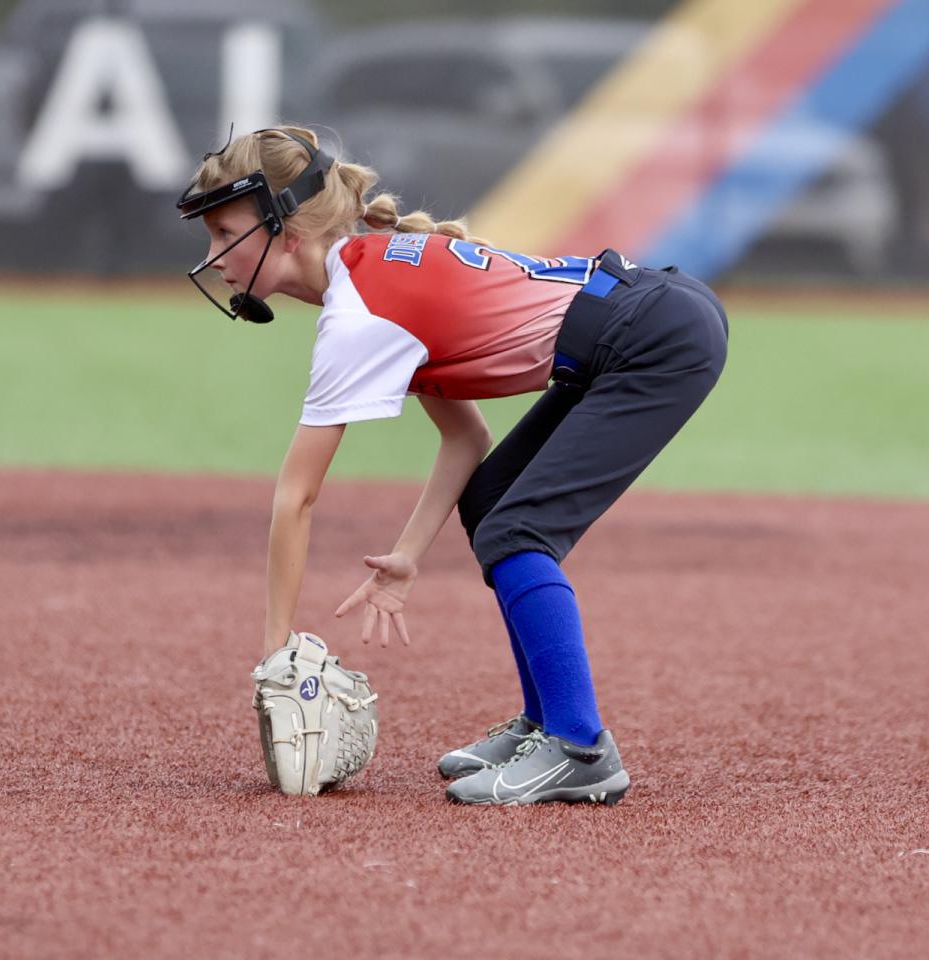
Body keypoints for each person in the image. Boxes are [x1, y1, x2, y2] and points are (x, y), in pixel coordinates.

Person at [176, 125, 728, 806]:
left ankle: (580, 749)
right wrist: (408, 556)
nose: (215, 256)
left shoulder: (356, 319)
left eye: (224, 231)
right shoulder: (368, 271)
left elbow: (297, 497)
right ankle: (546, 726)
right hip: (644, 318)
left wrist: (276, 657)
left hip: (651, 336)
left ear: (287, 232)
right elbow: (468, 440)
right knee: (494, 505)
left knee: (516, 532)